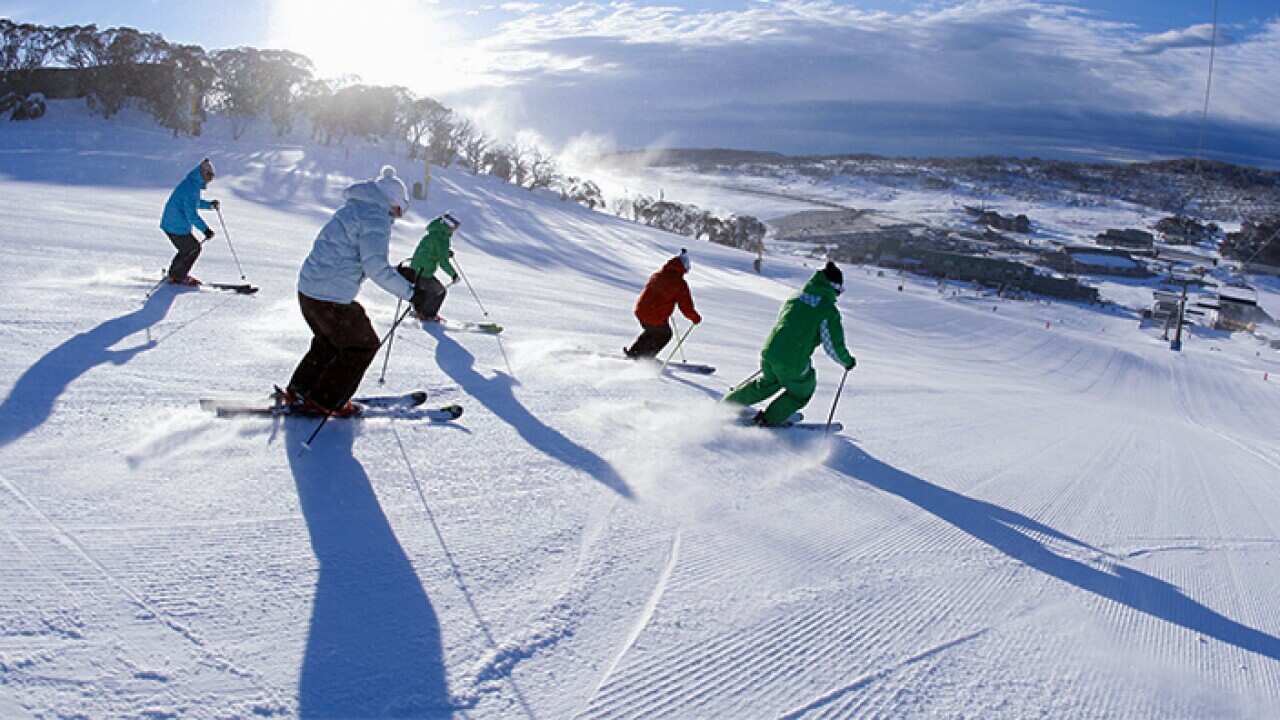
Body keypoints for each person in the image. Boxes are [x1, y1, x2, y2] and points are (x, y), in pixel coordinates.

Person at [284, 166, 426, 417]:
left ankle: (300, 389)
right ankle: (325, 401)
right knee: (362, 345)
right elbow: (373, 265)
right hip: (330, 297)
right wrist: (410, 293)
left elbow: (356, 257)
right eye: (399, 210)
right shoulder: (375, 216)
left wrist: (397, 275)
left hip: (309, 291)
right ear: (393, 202)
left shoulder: (355, 208)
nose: (397, 216)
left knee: (328, 343)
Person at [724, 261, 856, 427]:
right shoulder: (827, 310)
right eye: (840, 290)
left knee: (767, 383)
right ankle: (769, 419)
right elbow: (833, 346)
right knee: (802, 390)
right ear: (834, 287)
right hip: (793, 360)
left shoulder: (796, 297)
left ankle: (726, 406)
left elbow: (784, 322)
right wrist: (847, 362)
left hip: (770, 350)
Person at [624, 248, 702, 359]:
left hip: (640, 311)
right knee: (665, 334)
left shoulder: (658, 275)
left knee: (652, 331)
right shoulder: (679, 284)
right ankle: (646, 358)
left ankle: (634, 352)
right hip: (654, 314)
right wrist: (695, 318)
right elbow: (686, 307)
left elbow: (656, 295)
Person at [160, 158, 220, 285]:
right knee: (193, 248)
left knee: (187, 248)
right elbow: (191, 214)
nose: (210, 180)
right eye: (209, 176)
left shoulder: (192, 184)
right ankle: (178, 276)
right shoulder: (192, 188)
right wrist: (206, 230)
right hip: (175, 225)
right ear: (202, 173)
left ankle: (175, 274)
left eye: (212, 177)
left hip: (172, 223)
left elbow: (193, 204)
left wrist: (209, 205)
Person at [399, 212, 461, 322]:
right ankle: (427, 315)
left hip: (416, 269)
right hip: (423, 272)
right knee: (439, 291)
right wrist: (454, 275)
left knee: (427, 292)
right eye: (455, 226)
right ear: (449, 224)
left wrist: (446, 253)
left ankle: (421, 312)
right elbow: (443, 262)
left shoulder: (436, 232)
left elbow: (434, 251)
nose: (455, 229)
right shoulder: (441, 238)